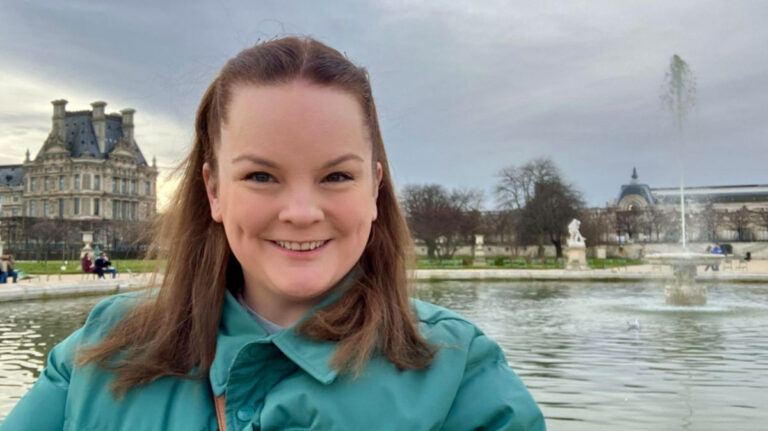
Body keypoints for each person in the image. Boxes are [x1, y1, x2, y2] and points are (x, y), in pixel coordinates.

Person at [1, 37, 545, 430]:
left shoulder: (461, 374)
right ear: (214, 190)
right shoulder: (97, 350)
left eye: (337, 176)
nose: (301, 213)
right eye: (261, 176)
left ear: (374, 188)